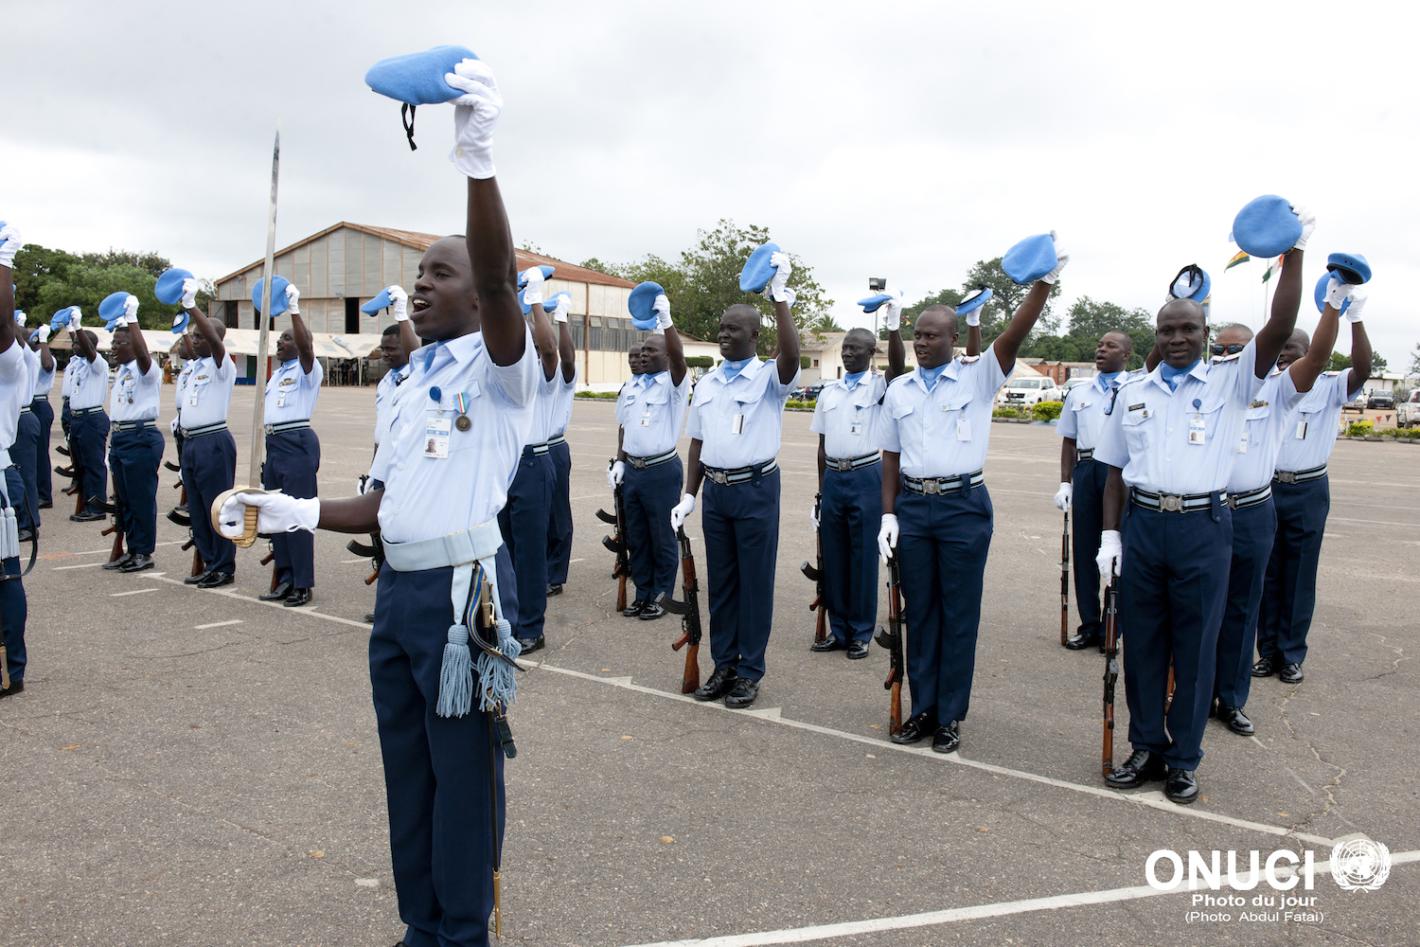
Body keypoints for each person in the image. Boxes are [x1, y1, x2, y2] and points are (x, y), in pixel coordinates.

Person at [216, 56, 545, 946]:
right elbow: (382, 504)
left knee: (463, 780)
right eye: (420, 274)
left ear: (479, 293)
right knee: (409, 775)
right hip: (399, 593)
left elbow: (503, 281)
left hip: (461, 600)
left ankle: (463, 932)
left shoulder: (504, 370)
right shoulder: (406, 382)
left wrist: (477, 159)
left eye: (441, 273)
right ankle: (421, 926)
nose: (421, 285)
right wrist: (289, 509)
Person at [1093, 214, 1310, 805]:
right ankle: (1146, 746)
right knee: (1143, 645)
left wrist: (1292, 252)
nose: (1177, 338)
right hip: (1143, 526)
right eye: (1167, 329)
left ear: (1205, 332)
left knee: (1195, 648)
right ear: (1156, 335)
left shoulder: (1231, 383)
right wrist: (1110, 538)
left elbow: (1281, 324)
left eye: (1188, 328)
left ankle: (1184, 758)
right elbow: (1113, 472)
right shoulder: (1133, 393)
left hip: (1203, 527)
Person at [876, 248, 1066, 754]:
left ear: (953, 339)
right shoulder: (899, 389)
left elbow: (1014, 335)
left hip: (963, 507)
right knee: (921, 612)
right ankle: (923, 708)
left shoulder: (978, 376)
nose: (921, 342)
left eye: (932, 335)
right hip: (914, 508)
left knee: (958, 615)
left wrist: (1044, 283)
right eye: (917, 335)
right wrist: (888, 514)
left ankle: (950, 715)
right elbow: (890, 456)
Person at [670, 250, 800, 710]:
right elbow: (698, 443)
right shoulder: (707, 383)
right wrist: (689, 495)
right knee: (721, 584)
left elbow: (791, 356)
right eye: (722, 329)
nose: (724, 335)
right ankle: (723, 664)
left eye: (734, 329)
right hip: (717, 493)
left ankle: (750, 671)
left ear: (755, 335)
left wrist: (779, 297)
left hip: (756, 489)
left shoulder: (768, 378)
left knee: (754, 585)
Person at [1211, 301, 1340, 736]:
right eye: (1220, 348)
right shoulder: (1203, 386)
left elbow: (1316, 358)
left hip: (1252, 510)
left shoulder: (1277, 389)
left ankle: (1231, 699)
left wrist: (1335, 306)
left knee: (1243, 608)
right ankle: (1197, 694)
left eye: (1237, 349)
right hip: (1210, 511)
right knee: (1202, 610)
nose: (1227, 356)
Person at [1255, 284, 1373, 684]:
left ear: (1310, 351)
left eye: (1293, 347)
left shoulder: (1329, 385)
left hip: (1307, 490)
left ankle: (1291, 654)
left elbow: (1363, 369)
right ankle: (1267, 651)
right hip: (1267, 489)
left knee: (1299, 575)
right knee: (1267, 574)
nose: (1284, 352)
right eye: (1281, 347)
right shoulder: (1264, 385)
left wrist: (1354, 317)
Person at [808, 303, 905, 658]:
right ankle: (839, 630)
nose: (847, 353)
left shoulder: (879, 387)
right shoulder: (828, 392)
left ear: (870, 353)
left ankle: (860, 632)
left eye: (855, 348)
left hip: (867, 476)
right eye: (845, 348)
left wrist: (893, 327)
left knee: (862, 557)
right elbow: (821, 448)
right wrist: (821, 494)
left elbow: (898, 366)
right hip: (834, 477)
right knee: (834, 558)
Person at [1054, 331, 1135, 650]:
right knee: (1085, 549)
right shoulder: (1079, 392)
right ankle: (1089, 624)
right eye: (1100, 345)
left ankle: (1112, 625)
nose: (1101, 349)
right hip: (1087, 469)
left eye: (1111, 346)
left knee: (1117, 547)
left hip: (1121, 472)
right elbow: (1069, 441)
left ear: (1126, 355)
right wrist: (1065, 482)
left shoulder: (1134, 389)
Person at [610, 293, 689, 620]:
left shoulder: (674, 385)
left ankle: (660, 595)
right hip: (634, 470)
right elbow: (624, 428)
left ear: (667, 356)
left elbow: (679, 357)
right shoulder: (632, 387)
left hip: (661, 471)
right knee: (637, 537)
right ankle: (642, 593)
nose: (644, 354)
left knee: (661, 537)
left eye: (652, 350)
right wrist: (620, 461)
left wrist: (666, 322)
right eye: (643, 350)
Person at [496, 267, 559, 652]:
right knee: (501, 548)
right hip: (501, 465)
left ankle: (531, 627)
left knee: (530, 551)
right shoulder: (506, 373)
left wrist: (534, 300)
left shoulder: (543, 370)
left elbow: (549, 348)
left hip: (533, 464)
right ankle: (507, 618)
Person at [258, 284, 322, 608]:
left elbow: (307, 347)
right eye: (279, 339)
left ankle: (302, 583)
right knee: (276, 514)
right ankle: (284, 577)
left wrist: (294, 309)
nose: (279, 343)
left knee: (297, 515)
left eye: (286, 338)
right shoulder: (277, 374)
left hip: (296, 442)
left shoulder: (307, 369)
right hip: (274, 444)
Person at [175, 286, 239, 589]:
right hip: (191, 443)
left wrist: (192, 307)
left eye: (200, 336)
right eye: (194, 336)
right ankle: (210, 562)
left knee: (217, 507)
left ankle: (223, 566)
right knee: (198, 509)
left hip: (213, 442)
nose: (195, 340)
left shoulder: (221, 365)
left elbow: (213, 341)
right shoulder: (194, 368)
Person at [104, 298, 165, 573]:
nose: (113, 347)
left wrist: (132, 319)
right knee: (125, 500)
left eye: (119, 343)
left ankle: (143, 552)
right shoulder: (121, 372)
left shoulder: (146, 370)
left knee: (140, 499)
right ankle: (131, 549)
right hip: (120, 438)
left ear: (134, 345)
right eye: (113, 342)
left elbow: (143, 355)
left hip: (140, 438)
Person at [0, 220, 30, 699]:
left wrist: (3, 259)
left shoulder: (10, 364)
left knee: (3, 577)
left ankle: (10, 668)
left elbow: (2, 326)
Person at [544, 295, 577, 597]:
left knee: (557, 515)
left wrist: (561, 319)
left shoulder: (560, 378)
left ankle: (555, 574)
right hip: (524, 450)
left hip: (552, 449)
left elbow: (567, 359)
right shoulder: (524, 373)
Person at [66, 319, 111, 523]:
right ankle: (86, 503)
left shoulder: (98, 364)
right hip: (77, 419)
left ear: (89, 346)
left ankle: (96, 507)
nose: (74, 345)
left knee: (93, 465)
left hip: (91, 419)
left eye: (78, 342)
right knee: (81, 465)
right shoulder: (77, 364)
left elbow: (89, 350)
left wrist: (78, 327)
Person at [29, 325, 57, 512]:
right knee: (32, 454)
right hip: (31, 405)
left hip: (39, 405)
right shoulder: (31, 356)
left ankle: (44, 495)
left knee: (40, 453)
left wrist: (44, 340)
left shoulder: (45, 357)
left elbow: (47, 366)